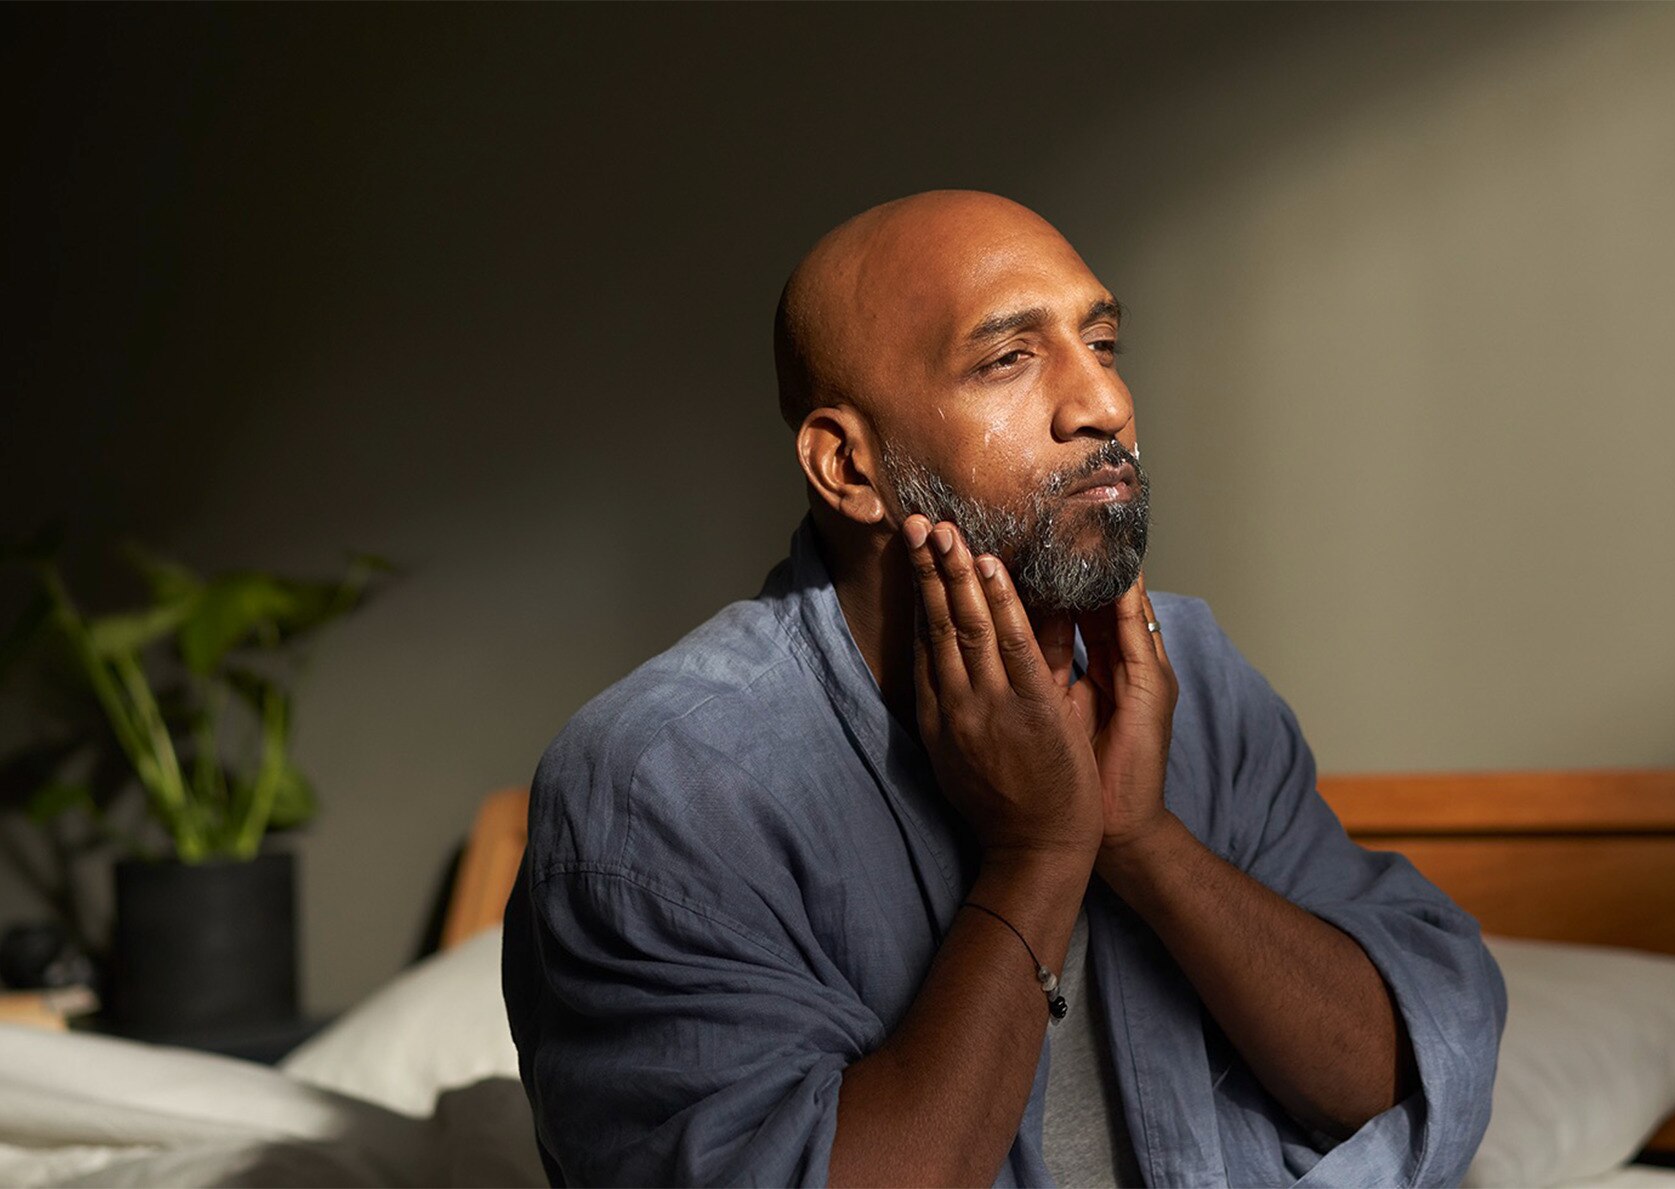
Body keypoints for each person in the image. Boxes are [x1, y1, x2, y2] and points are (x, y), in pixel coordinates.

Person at [502, 190, 1505, 1187]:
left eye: (1101, 342)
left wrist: (1140, 839)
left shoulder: (1186, 677)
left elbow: (1390, 1068)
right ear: (848, 467)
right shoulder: (664, 786)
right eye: (1007, 358)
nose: (1104, 404)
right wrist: (1038, 854)